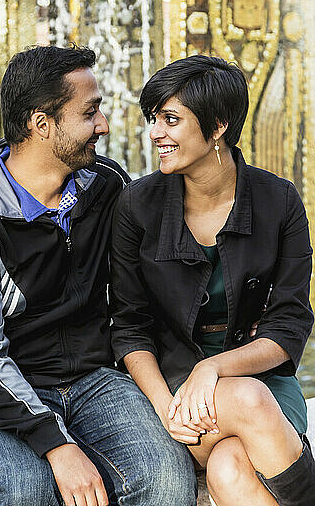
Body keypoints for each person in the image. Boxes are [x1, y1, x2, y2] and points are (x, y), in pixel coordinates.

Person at [0, 45, 197, 506]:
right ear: (41, 124)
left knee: (166, 482)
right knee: (25, 490)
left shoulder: (106, 185)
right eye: (90, 112)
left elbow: (160, 273)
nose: (104, 126)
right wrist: (57, 445)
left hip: (94, 380)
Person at [110, 55, 315, 505]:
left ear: (218, 124)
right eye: (153, 119)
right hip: (173, 388)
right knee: (247, 401)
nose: (155, 134)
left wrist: (215, 368)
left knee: (229, 468)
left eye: (170, 119)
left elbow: (290, 324)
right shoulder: (137, 206)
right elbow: (129, 327)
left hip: (257, 377)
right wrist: (167, 407)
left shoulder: (278, 201)